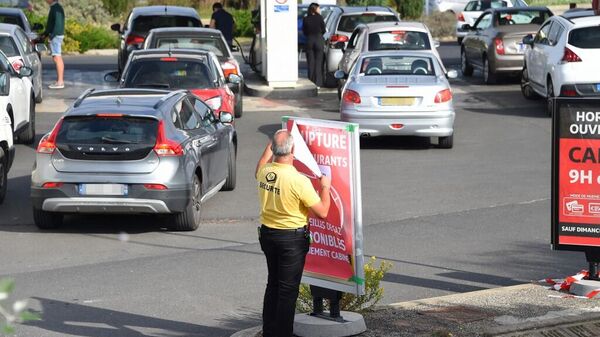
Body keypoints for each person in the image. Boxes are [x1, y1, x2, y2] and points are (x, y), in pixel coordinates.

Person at [255, 130, 331, 337]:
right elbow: (323, 212)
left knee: (273, 285)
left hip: (268, 235)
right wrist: (325, 187)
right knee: (287, 292)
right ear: (293, 150)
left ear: (273, 149)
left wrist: (273, 142)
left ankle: (269, 332)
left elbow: (261, 163)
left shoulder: (264, 172)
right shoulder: (298, 181)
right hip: (291, 239)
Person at [40, 0, 65, 89]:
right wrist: (45, 34)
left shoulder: (56, 8)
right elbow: (51, 25)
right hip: (55, 36)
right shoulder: (55, 8)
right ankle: (60, 81)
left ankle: (60, 81)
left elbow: (57, 25)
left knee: (57, 57)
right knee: (56, 57)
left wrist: (51, 36)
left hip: (56, 36)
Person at [302, 3, 325, 88]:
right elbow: (323, 29)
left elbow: (304, 31)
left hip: (309, 41)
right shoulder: (320, 18)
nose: (320, 10)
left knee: (310, 62)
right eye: (319, 8)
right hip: (319, 40)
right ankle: (318, 83)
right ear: (315, 9)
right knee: (318, 63)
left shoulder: (305, 18)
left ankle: (310, 82)